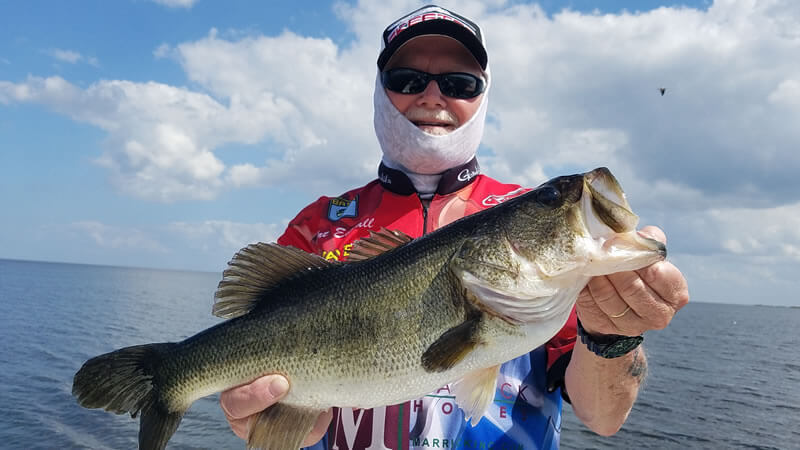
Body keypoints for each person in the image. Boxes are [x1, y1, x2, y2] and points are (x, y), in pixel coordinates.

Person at [218, 5, 689, 449]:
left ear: (483, 96)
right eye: (407, 79)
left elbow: (603, 418)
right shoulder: (317, 225)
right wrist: (268, 418)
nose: (432, 96)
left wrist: (614, 336)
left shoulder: (532, 232)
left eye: (459, 84)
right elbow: (258, 374)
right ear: (379, 91)